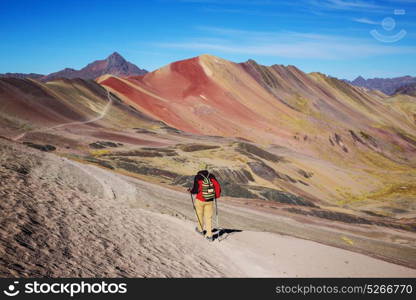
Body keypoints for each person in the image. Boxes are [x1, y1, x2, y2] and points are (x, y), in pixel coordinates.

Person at [188, 163, 221, 241]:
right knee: (208, 218)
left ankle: (200, 230)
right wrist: (216, 196)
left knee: (199, 215)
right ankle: (209, 235)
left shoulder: (198, 177)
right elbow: (217, 186)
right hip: (210, 200)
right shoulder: (212, 176)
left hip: (199, 199)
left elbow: (195, 189)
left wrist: (190, 191)